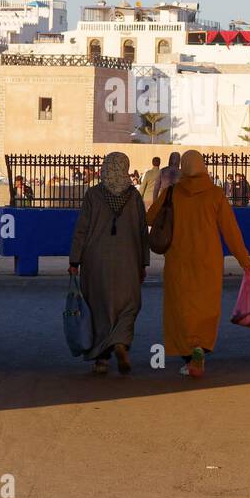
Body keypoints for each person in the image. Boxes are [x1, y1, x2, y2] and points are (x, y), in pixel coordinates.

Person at [146, 150, 250, 378]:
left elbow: (150, 217)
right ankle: (199, 350)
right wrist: (245, 261)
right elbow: (231, 231)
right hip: (208, 261)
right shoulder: (215, 194)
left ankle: (189, 355)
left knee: (181, 307)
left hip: (178, 259)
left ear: (184, 167)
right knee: (205, 306)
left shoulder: (172, 192)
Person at [69, 152, 149, 375]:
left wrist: (74, 259)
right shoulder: (134, 196)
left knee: (98, 307)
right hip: (128, 260)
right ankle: (121, 342)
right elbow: (142, 231)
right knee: (129, 305)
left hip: (96, 261)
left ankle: (101, 359)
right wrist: (143, 262)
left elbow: (82, 229)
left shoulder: (93, 194)